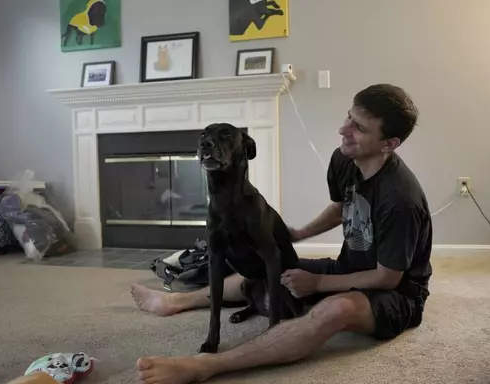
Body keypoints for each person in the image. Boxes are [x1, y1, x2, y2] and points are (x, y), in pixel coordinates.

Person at [130, 83, 433, 384]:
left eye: (359, 128)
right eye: (348, 117)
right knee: (270, 267)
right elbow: (343, 207)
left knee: (336, 308)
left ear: (389, 144)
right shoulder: (345, 159)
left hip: (399, 295)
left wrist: (320, 282)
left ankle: (207, 365)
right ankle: (177, 302)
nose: (343, 129)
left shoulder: (400, 201)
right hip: (350, 266)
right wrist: (299, 233)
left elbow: (386, 278)